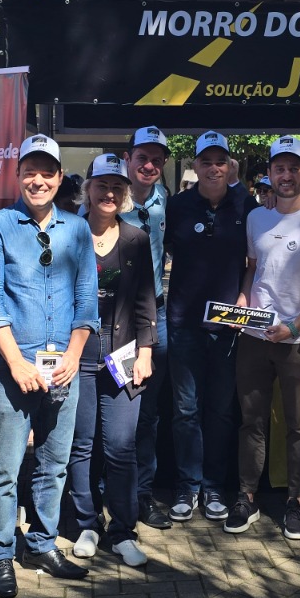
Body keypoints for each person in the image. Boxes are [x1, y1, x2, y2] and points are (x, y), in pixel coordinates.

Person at [0, 134, 96, 598]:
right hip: (12, 366)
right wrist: (17, 361)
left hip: (63, 364)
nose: (38, 180)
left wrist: (73, 354)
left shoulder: (78, 230)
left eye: (48, 172)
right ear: (18, 175)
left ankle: (42, 543)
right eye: (30, 171)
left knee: (54, 461)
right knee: (4, 467)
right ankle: (1, 553)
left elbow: (86, 299)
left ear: (60, 178)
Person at [226, 135, 300, 539]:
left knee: (299, 426)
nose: (287, 175)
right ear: (270, 174)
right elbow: (253, 269)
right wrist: (243, 302)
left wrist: (294, 325)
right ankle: (247, 496)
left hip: (298, 341)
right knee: (251, 422)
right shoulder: (257, 218)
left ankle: (295, 502)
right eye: (280, 168)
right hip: (254, 335)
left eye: (294, 167)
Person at [63, 153, 157, 567]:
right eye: (102, 185)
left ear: (125, 193)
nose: (110, 192)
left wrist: (146, 351)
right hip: (76, 355)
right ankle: (86, 524)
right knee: (80, 445)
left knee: (121, 447)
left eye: (117, 186)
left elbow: (145, 300)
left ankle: (122, 530)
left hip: (123, 355)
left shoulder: (136, 238)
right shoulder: (68, 231)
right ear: (89, 189)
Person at [163, 132, 257, 525]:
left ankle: (215, 486)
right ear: (196, 166)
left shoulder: (248, 207)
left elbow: (254, 264)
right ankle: (188, 486)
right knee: (185, 410)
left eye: (221, 161)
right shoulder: (178, 205)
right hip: (184, 321)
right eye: (206, 161)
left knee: (219, 410)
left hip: (226, 325)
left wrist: (243, 296)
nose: (214, 168)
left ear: (230, 166)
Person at [117, 126, 175, 529]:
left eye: (157, 159)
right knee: (113, 406)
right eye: (143, 157)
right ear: (128, 158)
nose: (149, 165)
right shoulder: (107, 198)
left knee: (148, 411)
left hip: (154, 316)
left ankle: (142, 494)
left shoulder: (167, 203)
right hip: (111, 320)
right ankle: (107, 491)